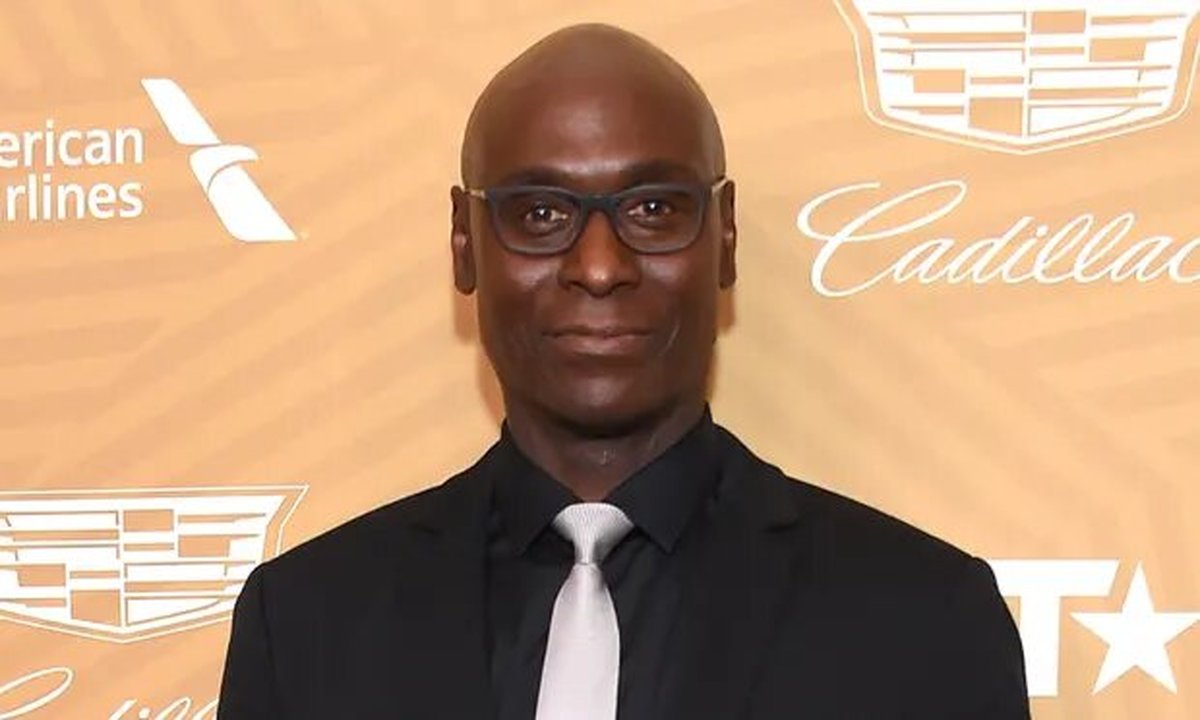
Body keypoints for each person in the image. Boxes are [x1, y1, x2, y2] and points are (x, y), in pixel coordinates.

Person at [216, 23, 1030, 720]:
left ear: (726, 236)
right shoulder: (306, 624)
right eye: (541, 213)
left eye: (653, 209)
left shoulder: (926, 620)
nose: (600, 266)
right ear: (465, 244)